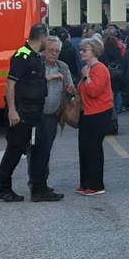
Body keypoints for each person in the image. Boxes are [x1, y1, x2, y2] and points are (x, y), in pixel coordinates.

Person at [0, 23, 64, 203]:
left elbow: (33, 81)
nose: (47, 42)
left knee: (40, 148)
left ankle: (39, 189)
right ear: (42, 38)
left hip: (35, 113)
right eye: (47, 38)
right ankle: (2, 188)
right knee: (15, 150)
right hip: (22, 113)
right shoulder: (22, 56)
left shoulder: (34, 56)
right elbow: (10, 83)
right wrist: (12, 111)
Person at [29, 36, 73, 195]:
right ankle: (35, 183)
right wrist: (49, 78)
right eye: (51, 50)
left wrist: (71, 89)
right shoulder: (36, 64)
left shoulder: (62, 67)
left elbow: (70, 85)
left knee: (46, 150)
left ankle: (42, 182)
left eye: (57, 51)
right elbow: (29, 84)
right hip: (35, 116)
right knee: (34, 150)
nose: (54, 54)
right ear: (44, 51)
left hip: (53, 115)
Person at [77, 37, 114, 195]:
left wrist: (86, 77)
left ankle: (96, 184)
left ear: (94, 52)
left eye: (85, 50)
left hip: (98, 112)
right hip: (87, 112)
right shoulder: (88, 68)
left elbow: (94, 91)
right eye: (81, 50)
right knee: (84, 148)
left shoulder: (99, 69)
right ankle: (85, 182)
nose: (82, 53)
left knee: (93, 149)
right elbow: (83, 89)